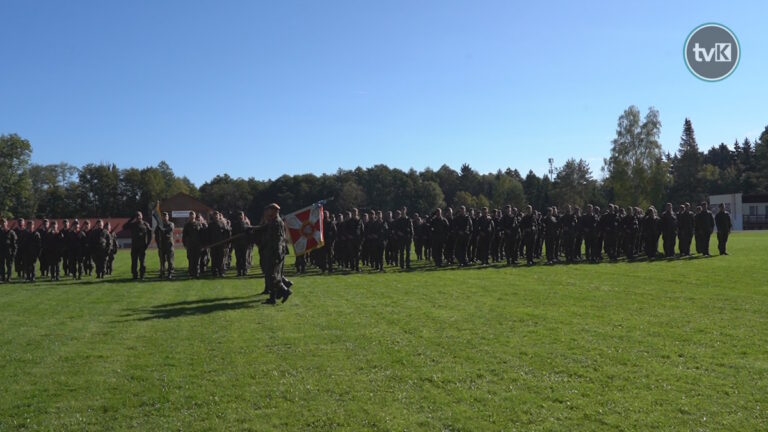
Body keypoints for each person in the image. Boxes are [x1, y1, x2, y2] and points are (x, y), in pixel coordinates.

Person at [251, 203, 292, 304]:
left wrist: (276, 253)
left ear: (274, 211)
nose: (267, 212)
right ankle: (272, 298)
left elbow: (278, 240)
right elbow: (263, 228)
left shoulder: (277, 222)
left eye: (269, 210)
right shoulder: (272, 221)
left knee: (271, 275)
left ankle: (285, 291)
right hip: (271, 251)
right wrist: (251, 228)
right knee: (271, 274)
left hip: (275, 251)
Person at [124, 211, 153, 280]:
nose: (138, 217)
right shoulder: (133, 224)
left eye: (139, 215)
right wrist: (131, 218)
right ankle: (134, 275)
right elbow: (124, 227)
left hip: (142, 246)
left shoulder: (145, 224)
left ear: (142, 216)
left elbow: (150, 234)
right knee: (134, 262)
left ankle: (142, 275)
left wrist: (147, 243)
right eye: (137, 216)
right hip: (134, 246)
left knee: (142, 262)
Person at [154, 212, 176, 279]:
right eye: (163, 216)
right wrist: (158, 243)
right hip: (161, 245)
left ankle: (170, 273)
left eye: (166, 216)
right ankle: (162, 272)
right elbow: (156, 234)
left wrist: (162, 228)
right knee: (162, 260)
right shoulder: (159, 225)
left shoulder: (171, 224)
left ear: (168, 217)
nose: (165, 217)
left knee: (170, 260)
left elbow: (168, 230)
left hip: (169, 245)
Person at [182, 211, 203, 278]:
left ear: (195, 216)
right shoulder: (187, 225)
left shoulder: (199, 224)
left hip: (198, 245)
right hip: (190, 245)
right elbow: (184, 236)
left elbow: (202, 235)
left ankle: (197, 273)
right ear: (189, 216)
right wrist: (185, 245)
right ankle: (191, 273)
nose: (191, 216)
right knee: (191, 260)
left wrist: (203, 244)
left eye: (192, 215)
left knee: (197, 260)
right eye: (190, 215)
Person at [0, 218, 18, 282]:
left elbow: (15, 243)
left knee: (9, 265)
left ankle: (9, 278)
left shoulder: (11, 232)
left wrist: (14, 252)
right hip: (1, 251)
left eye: (4, 222)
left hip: (9, 251)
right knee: (1, 265)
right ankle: (2, 277)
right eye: (2, 223)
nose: (3, 224)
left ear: (7, 223)